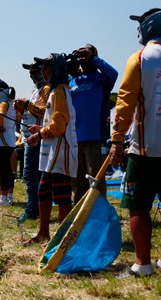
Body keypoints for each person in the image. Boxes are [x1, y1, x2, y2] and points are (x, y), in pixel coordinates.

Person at [109, 8, 161, 277]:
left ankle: (142, 263)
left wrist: (117, 139)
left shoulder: (140, 58)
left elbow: (125, 102)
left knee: (138, 205)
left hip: (144, 149)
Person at [23, 53, 78, 244]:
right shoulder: (54, 92)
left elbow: (59, 127)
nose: (43, 72)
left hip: (61, 151)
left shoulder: (61, 92)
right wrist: (40, 129)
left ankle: (63, 239)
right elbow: (53, 122)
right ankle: (43, 233)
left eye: (46, 68)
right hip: (51, 151)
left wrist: (38, 134)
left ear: (56, 70)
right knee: (43, 191)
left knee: (62, 196)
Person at [68, 44, 118, 205]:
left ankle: (98, 214)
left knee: (95, 180)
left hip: (94, 138)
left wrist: (93, 57)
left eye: (85, 53)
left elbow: (114, 73)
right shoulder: (73, 80)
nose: (82, 57)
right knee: (76, 182)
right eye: (80, 54)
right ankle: (78, 217)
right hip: (74, 139)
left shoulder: (101, 79)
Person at [13, 62, 50, 222]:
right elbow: (33, 112)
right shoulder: (37, 92)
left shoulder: (47, 89)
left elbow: (45, 112)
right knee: (32, 174)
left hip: (37, 137)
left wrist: (26, 105)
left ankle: (32, 209)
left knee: (31, 174)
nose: (32, 75)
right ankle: (34, 208)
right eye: (30, 73)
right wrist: (22, 110)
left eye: (35, 72)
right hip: (30, 137)